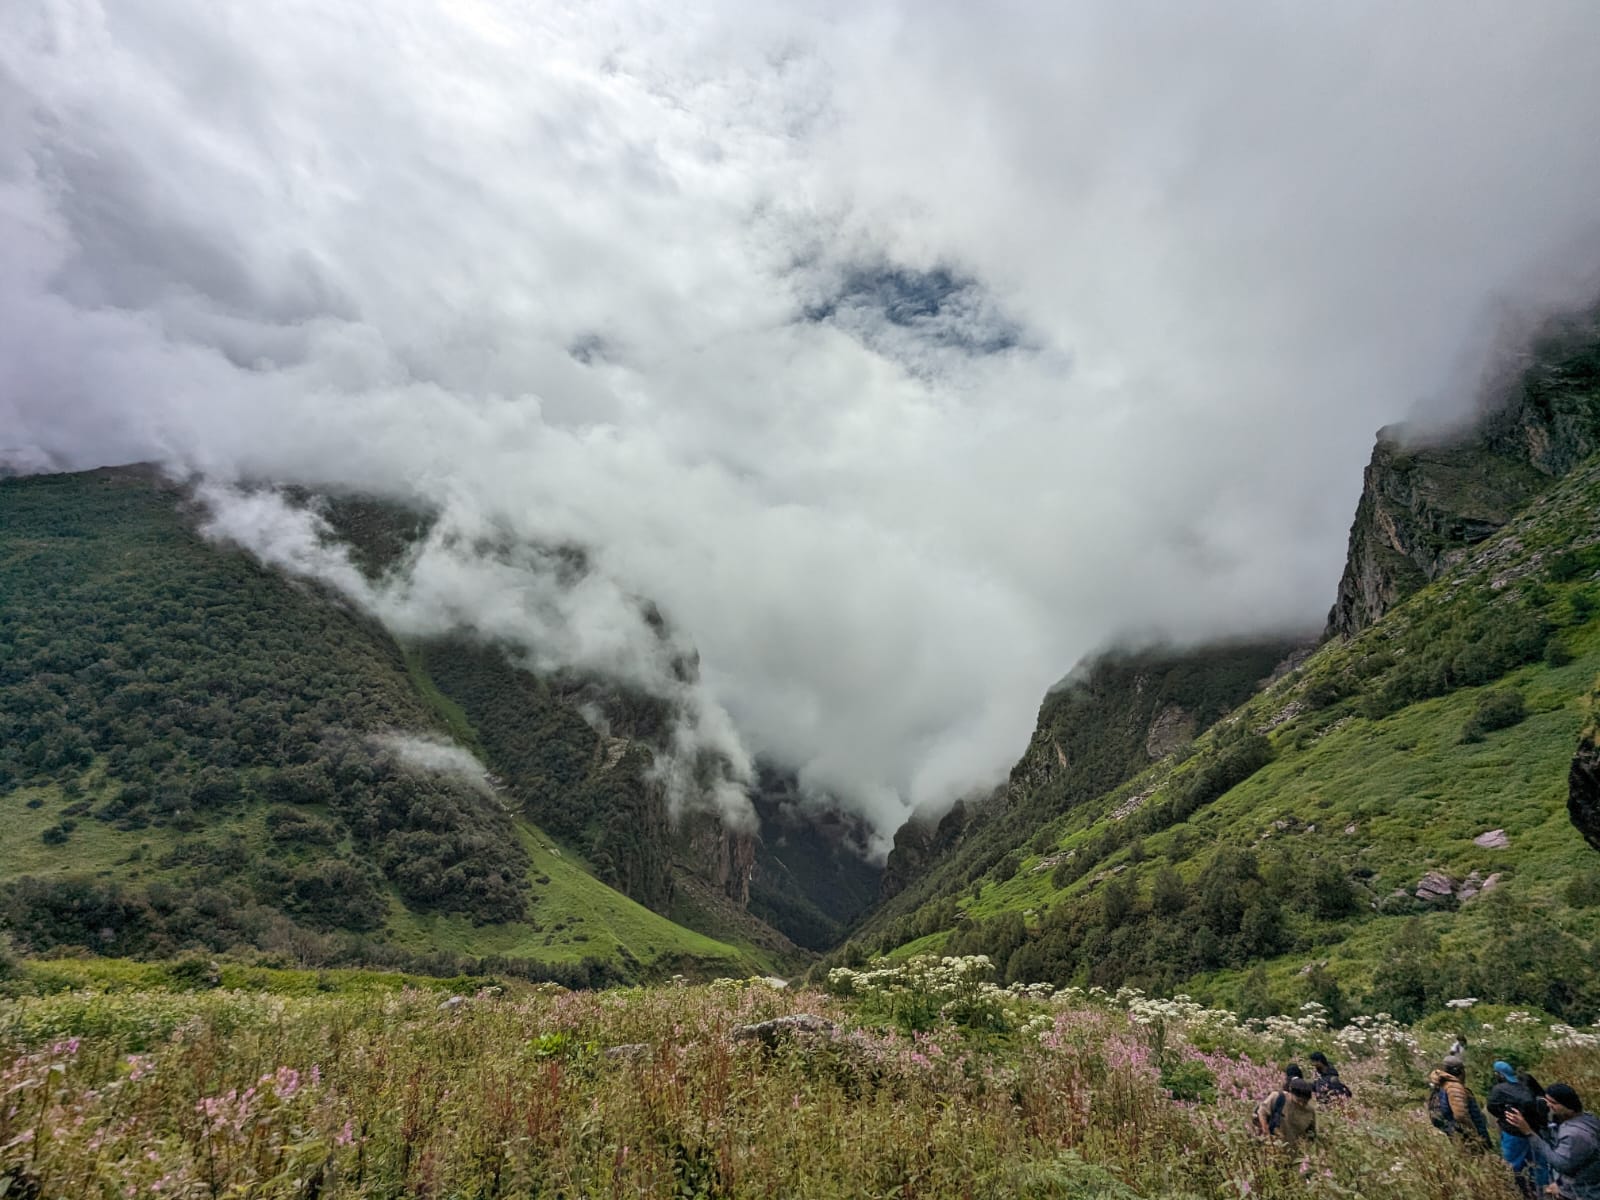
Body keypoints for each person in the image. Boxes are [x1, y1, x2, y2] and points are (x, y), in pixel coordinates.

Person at [1505, 1083, 1600, 1199]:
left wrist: (1529, 1132)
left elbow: (1560, 1164)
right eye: (1546, 1101)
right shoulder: (1588, 1118)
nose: (1548, 1105)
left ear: (1569, 1107)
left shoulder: (1574, 1134)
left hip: (1583, 1192)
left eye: (1553, 1103)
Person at [1487, 1060, 1549, 1198]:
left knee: (1514, 1164)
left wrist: (1505, 1116)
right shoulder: (1526, 1082)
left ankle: (1520, 1192)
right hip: (1535, 1131)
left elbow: (1491, 1107)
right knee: (1537, 1164)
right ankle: (1542, 1192)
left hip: (1513, 1133)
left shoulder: (1500, 1089)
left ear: (1499, 1074)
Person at [1429, 1059, 1491, 1149]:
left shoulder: (1443, 1083)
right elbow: (1460, 1115)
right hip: (1466, 1134)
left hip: (1455, 1130)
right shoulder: (1454, 1088)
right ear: (1458, 1071)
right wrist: (1474, 1133)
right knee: (1475, 1156)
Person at [1255, 1078, 1317, 1149]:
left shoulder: (1310, 1111)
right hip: (1273, 1144)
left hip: (1294, 1148)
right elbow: (1262, 1112)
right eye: (1299, 1100)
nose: (1301, 1104)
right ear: (1291, 1092)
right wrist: (1266, 1132)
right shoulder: (1278, 1098)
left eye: (1305, 1102)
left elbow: (1311, 1133)